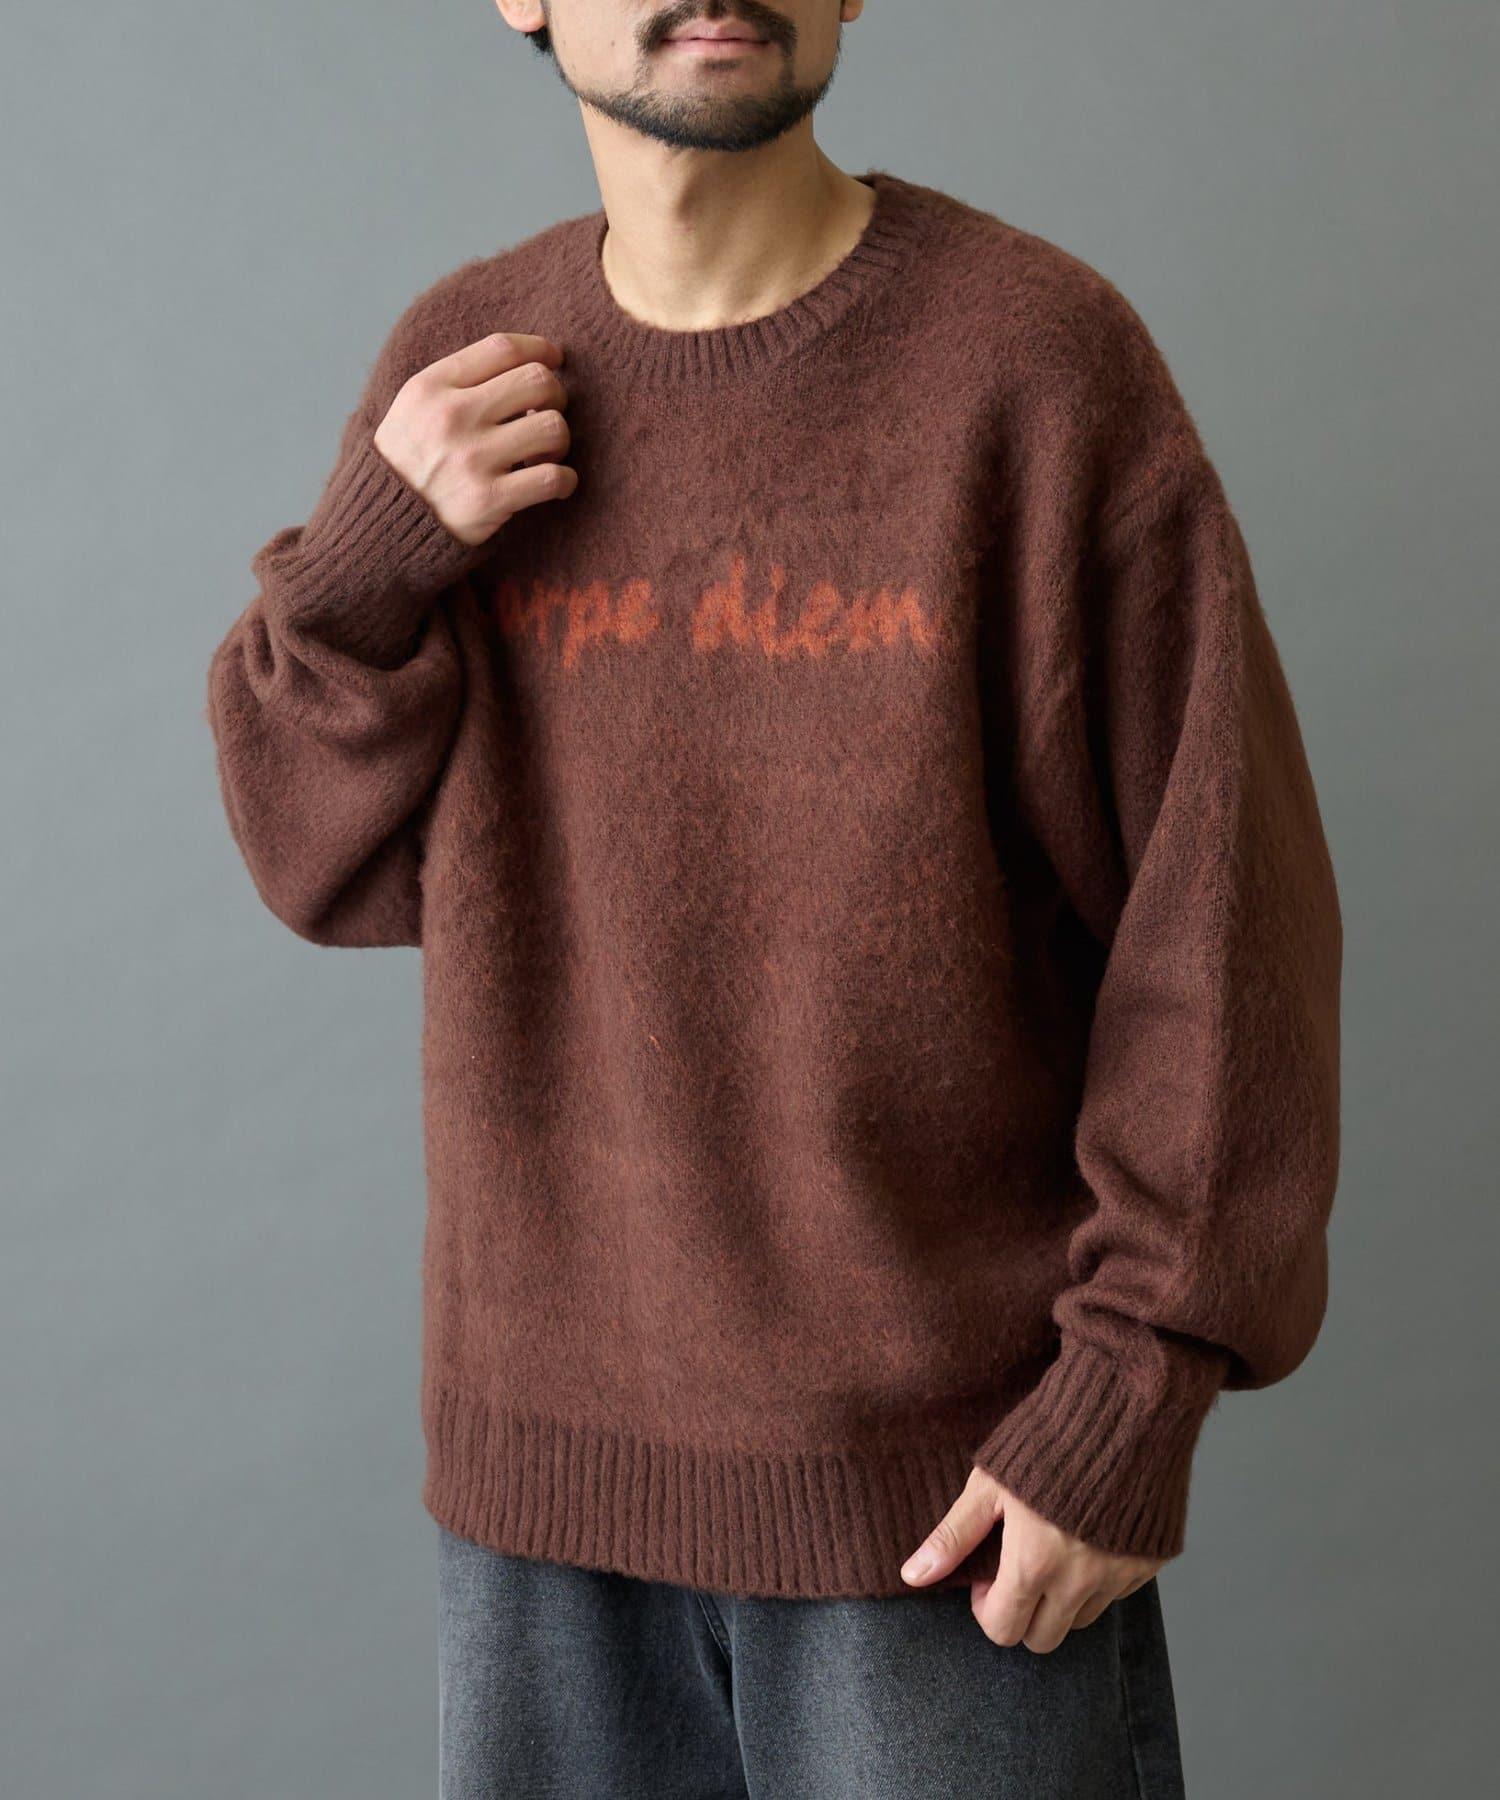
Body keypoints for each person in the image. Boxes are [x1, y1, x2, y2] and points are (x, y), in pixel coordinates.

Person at [203, 3, 1343, 1794]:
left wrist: (1129, 1398)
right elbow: (311, 857)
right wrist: (362, 570)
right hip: (540, 1515)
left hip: (948, 1514)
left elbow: (1225, 925)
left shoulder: (1036, 367)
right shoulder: (464, 371)